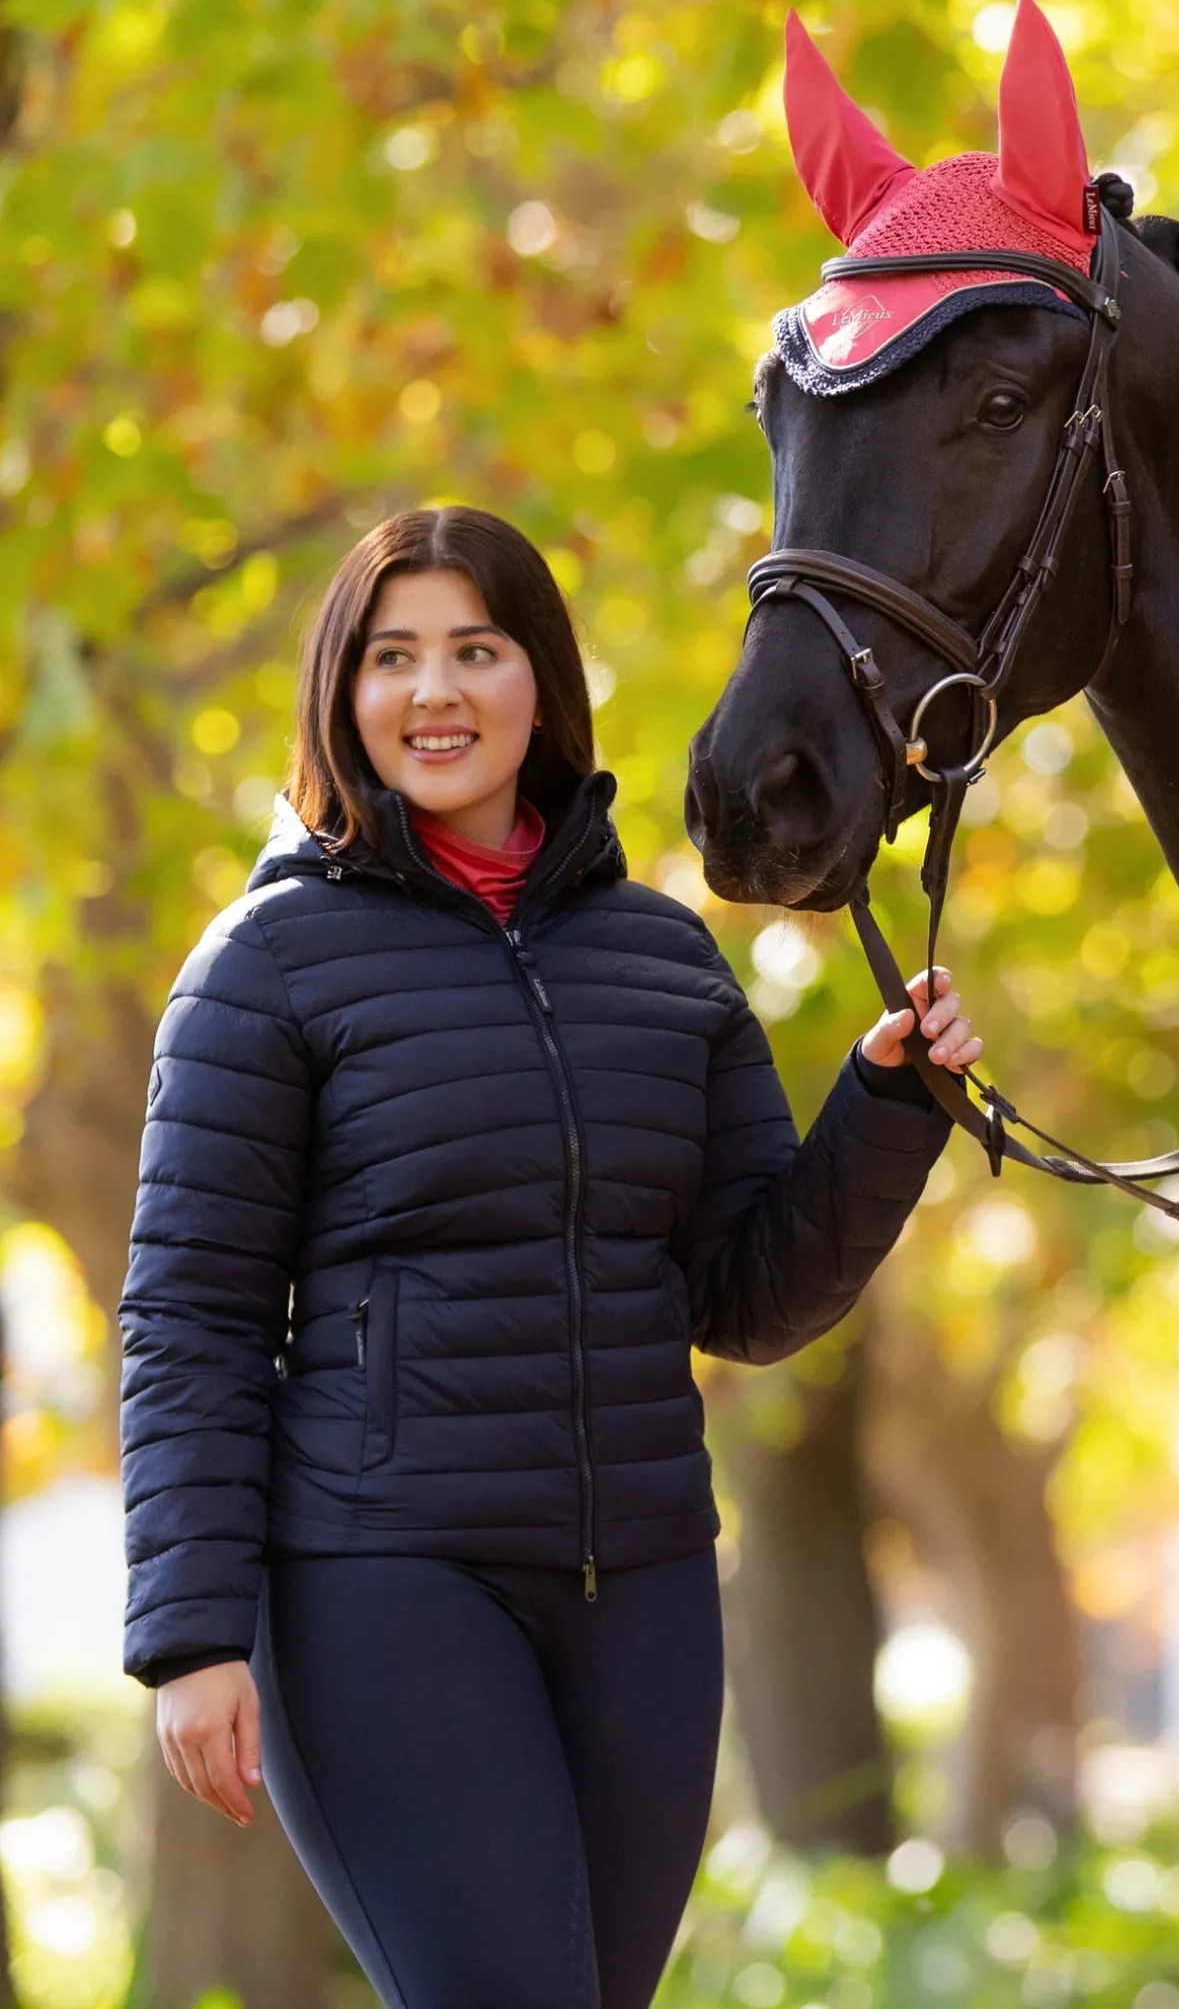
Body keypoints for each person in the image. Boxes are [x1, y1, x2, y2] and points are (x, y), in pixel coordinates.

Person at [120, 506, 981, 2009]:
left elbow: (749, 1294)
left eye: (475, 648)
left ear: (542, 682)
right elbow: (189, 1313)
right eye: (392, 657)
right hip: (385, 1580)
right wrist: (190, 1636)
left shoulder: (662, 958)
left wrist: (891, 1101)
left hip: (641, 1584)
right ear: (343, 693)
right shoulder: (266, 963)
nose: (433, 691)